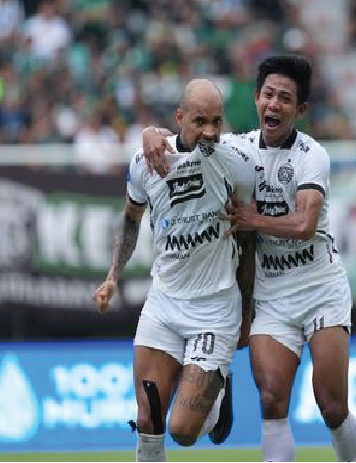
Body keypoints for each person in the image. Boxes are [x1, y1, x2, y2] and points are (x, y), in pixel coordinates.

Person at [143, 55, 356, 462]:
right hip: (273, 295)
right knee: (272, 401)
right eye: (268, 95)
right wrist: (150, 134)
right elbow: (189, 134)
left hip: (320, 287)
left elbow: (304, 224)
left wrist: (252, 219)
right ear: (257, 99)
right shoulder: (237, 147)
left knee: (331, 407)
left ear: (300, 110)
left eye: (285, 98)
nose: (273, 104)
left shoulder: (311, 156)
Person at [94, 79, 262, 462]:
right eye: (200, 121)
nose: (210, 132)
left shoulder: (233, 160)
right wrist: (112, 277)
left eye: (217, 121)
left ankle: (217, 393)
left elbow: (247, 240)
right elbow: (131, 219)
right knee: (148, 419)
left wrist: (246, 312)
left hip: (215, 310)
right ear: (179, 118)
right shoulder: (146, 162)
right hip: (164, 305)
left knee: (183, 431)